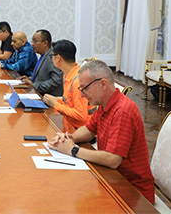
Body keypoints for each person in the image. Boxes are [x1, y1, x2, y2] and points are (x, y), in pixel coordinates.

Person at [48, 60, 155, 204]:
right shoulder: (104, 104)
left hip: (133, 192)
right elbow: (89, 130)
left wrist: (73, 150)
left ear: (103, 84)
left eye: (85, 89)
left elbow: (112, 159)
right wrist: (69, 138)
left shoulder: (123, 111)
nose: (82, 95)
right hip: (111, 178)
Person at [41, 39, 89, 133]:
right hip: (69, 128)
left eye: (52, 56)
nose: (51, 59)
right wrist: (55, 99)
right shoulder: (68, 74)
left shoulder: (78, 81)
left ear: (58, 58)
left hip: (81, 133)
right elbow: (69, 100)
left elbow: (80, 115)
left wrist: (55, 104)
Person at [18, 29, 63, 96]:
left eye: (35, 41)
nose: (32, 44)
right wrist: (30, 78)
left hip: (48, 98)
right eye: (32, 41)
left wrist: (34, 85)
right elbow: (43, 77)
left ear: (45, 43)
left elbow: (56, 81)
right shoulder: (43, 55)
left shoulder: (52, 57)